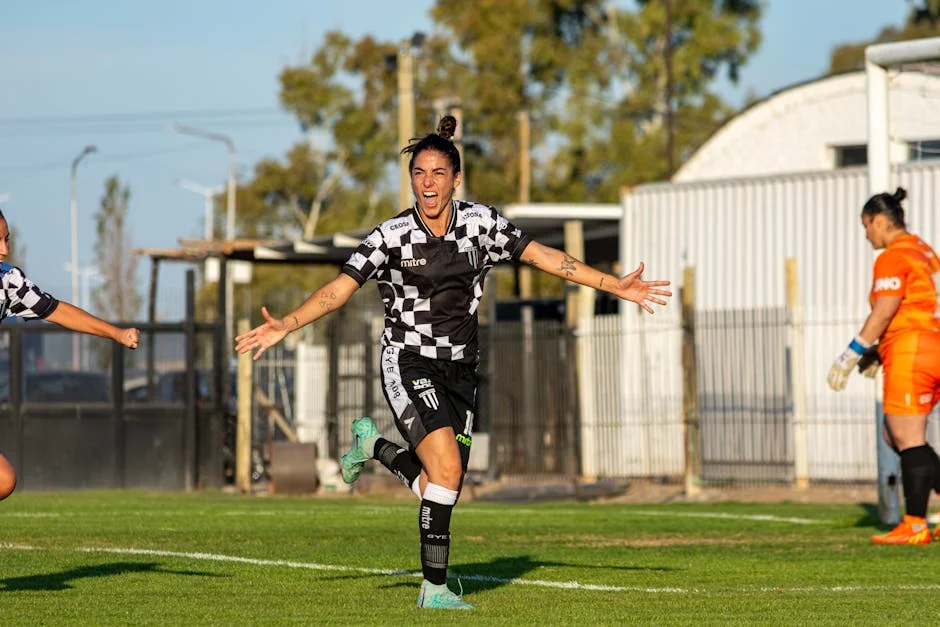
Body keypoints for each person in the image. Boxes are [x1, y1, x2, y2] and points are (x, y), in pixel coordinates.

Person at [234, 115, 672, 609]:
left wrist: (615, 285)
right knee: (444, 471)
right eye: (419, 173)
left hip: (461, 368)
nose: (428, 183)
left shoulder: (482, 224)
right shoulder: (391, 236)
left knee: (443, 483)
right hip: (408, 360)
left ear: (456, 179)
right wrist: (285, 324)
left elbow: (545, 257)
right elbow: (338, 291)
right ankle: (434, 590)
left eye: (438, 173)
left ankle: (373, 446)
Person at [0, 209, 140, 500]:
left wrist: (115, 333)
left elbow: (56, 310)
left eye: (7, 239)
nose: (5, 249)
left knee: (4, 480)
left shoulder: (8, 282)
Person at [827, 187, 940, 545]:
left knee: (907, 438)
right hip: (929, 344)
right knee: (895, 436)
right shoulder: (924, 251)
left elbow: (886, 308)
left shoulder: (893, 256)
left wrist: (853, 352)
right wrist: (879, 350)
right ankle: (918, 520)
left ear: (879, 220)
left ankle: (915, 524)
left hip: (914, 349)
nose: (866, 235)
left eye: (866, 226)